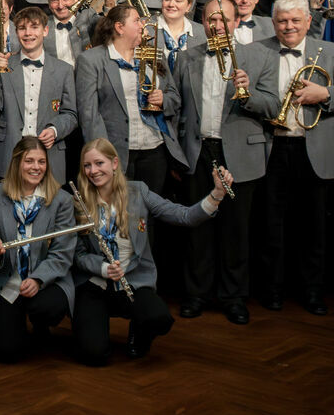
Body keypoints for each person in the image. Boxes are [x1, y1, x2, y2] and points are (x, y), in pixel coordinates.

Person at [164, 0, 279, 325]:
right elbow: (177, 108)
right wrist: (176, 154)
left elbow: (273, 106)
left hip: (240, 153)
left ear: (236, 21)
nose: (217, 26)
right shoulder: (186, 58)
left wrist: (249, 94)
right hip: (199, 152)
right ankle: (196, 294)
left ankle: (234, 297)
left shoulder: (259, 56)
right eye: (211, 19)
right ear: (203, 22)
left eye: (224, 19)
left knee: (236, 230)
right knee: (197, 228)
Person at [70, 138, 230, 365]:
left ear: (114, 163)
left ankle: (139, 331)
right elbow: (78, 255)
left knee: (159, 318)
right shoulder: (78, 202)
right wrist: (103, 268)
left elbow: (184, 216)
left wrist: (217, 194)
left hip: (131, 281)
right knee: (94, 354)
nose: (93, 171)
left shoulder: (138, 192)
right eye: (87, 165)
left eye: (99, 163)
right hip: (95, 284)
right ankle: (92, 323)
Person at [258, 0, 334, 315]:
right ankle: (272, 290)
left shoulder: (332, 51)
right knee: (271, 225)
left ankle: (312, 292)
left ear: (307, 21)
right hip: (272, 148)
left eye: (295, 20)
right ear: (273, 23)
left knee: (313, 226)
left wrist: (324, 93)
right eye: (282, 21)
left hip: (313, 148)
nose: (288, 26)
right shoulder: (257, 50)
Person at [0, 138, 76, 362]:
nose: (36, 167)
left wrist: (38, 279)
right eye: (29, 161)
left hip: (46, 279)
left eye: (41, 161)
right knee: (6, 351)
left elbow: (62, 253)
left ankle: (40, 323)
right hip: (7, 279)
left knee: (48, 307)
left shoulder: (62, 200)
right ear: (17, 163)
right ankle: (12, 322)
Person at [74, 6, 185, 191]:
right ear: (120, 27)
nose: (143, 25)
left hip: (155, 150)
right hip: (116, 152)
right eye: (136, 20)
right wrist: (101, 156)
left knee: (150, 207)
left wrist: (163, 100)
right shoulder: (91, 60)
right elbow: (88, 114)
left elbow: (175, 98)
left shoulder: (153, 55)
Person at [0, 7, 78, 184]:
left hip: (49, 154)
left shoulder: (64, 70)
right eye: (22, 28)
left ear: (45, 30)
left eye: (34, 27)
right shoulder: (3, 65)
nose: (28, 33)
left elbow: (71, 114)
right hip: (9, 152)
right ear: (16, 32)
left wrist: (55, 130)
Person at [42, 0, 96, 66]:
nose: (60, 5)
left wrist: (109, 1)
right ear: (49, 3)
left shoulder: (89, 18)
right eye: (54, 0)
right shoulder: (42, 26)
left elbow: (111, 30)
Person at [157, 0, 205, 73]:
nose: (171, 4)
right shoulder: (146, 27)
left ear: (188, 6)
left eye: (178, 1)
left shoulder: (202, 32)